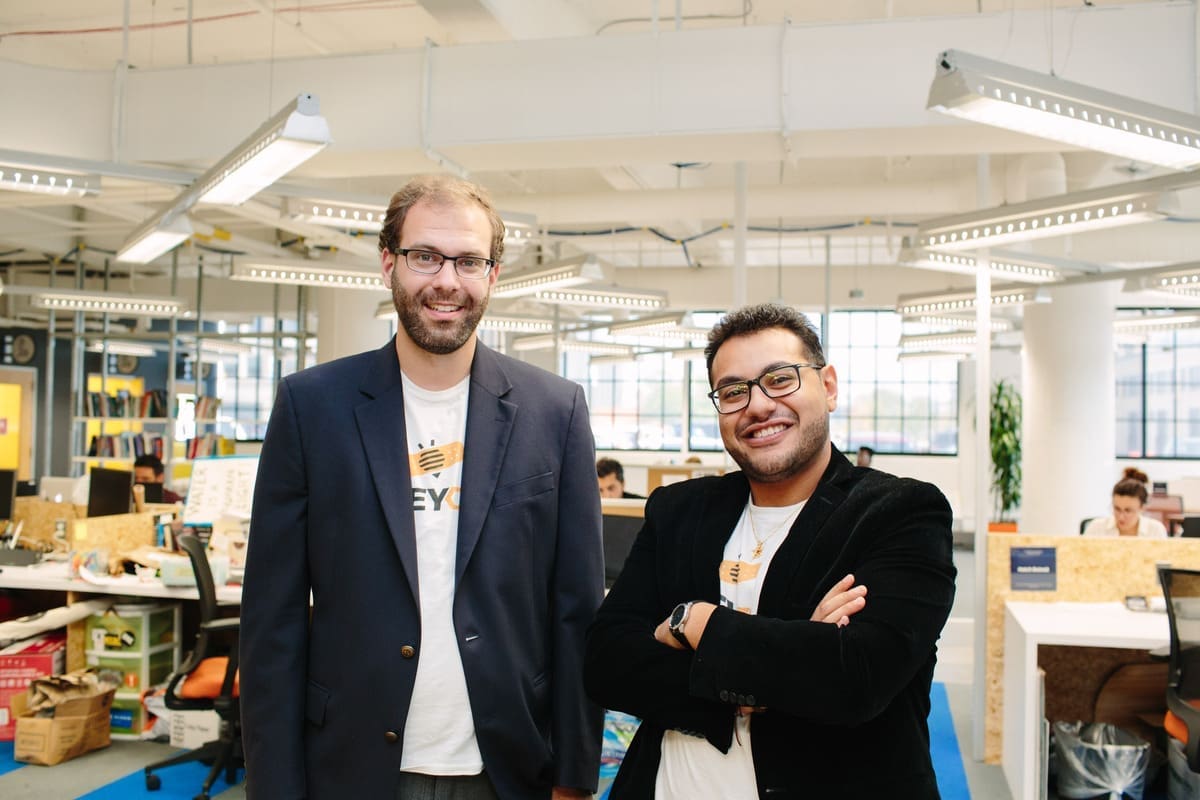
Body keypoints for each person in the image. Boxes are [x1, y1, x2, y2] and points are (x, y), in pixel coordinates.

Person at [240, 174, 605, 800]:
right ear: (389, 262)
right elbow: (271, 621)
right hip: (351, 762)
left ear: (492, 273)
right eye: (425, 256)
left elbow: (576, 611)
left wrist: (575, 776)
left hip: (508, 765)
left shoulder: (556, 411)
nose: (446, 281)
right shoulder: (312, 407)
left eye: (468, 261)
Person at [583, 303, 957, 799]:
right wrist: (792, 655)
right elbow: (607, 661)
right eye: (734, 391)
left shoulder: (899, 511)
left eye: (780, 379)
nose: (757, 406)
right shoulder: (680, 510)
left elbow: (856, 679)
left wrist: (692, 622)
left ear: (827, 386)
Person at [1083, 467, 1168, 538]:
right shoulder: (1096, 528)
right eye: (1117, 509)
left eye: (1128, 511)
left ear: (1142, 508)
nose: (1121, 517)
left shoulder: (1155, 530)